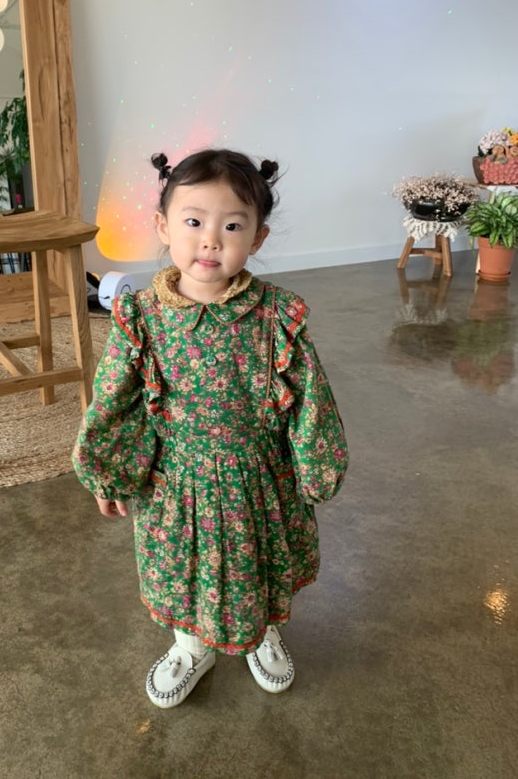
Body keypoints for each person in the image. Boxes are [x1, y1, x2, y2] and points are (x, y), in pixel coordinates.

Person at [72, 147, 348, 709]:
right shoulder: (142, 317)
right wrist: (109, 472)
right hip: (177, 481)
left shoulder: (277, 316)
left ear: (258, 238)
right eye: (194, 221)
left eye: (232, 226)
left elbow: (310, 397)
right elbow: (116, 397)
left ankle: (260, 631)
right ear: (163, 226)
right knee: (184, 568)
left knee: (256, 561)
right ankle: (190, 645)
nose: (211, 241)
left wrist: (317, 469)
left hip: (258, 477)